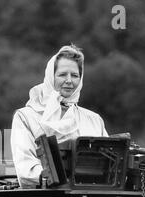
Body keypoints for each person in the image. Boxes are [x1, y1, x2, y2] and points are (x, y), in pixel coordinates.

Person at [11, 44, 108, 188]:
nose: (69, 80)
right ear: (51, 76)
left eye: (75, 75)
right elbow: (25, 165)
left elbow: (108, 164)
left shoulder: (94, 120)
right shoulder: (25, 116)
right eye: (62, 74)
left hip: (89, 193)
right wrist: (54, 179)